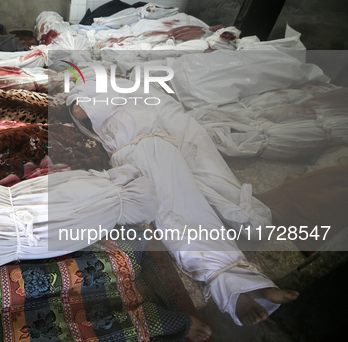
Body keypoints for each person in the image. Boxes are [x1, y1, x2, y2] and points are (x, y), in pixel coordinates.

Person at [67, 73, 299, 327]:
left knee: (174, 219)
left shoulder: (110, 89)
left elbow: (80, 111)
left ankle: (233, 288)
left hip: (144, 152)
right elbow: (86, 109)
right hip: (148, 150)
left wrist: (85, 90)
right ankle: (245, 283)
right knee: (189, 211)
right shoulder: (129, 92)